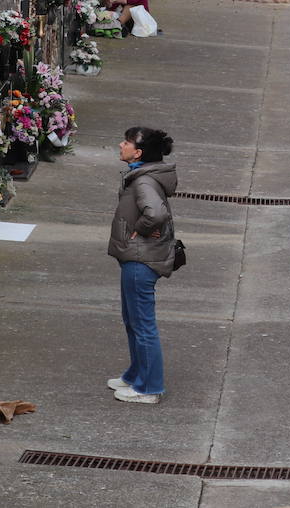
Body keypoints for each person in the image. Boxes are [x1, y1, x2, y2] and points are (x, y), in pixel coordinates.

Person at [106, 126, 178, 404]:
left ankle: (149, 387)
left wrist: (139, 228)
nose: (120, 144)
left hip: (141, 258)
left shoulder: (143, 182)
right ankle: (135, 373)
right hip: (137, 256)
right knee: (132, 320)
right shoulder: (141, 175)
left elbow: (156, 214)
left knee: (142, 324)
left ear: (138, 152)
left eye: (126, 142)